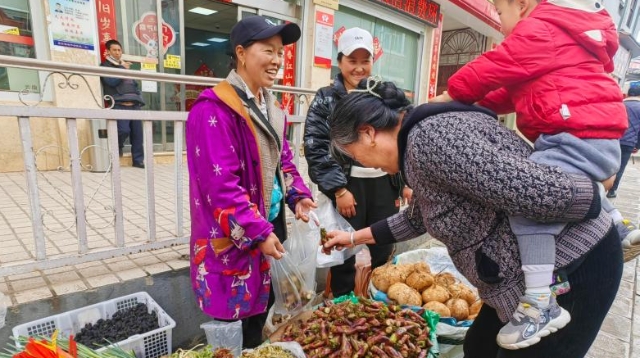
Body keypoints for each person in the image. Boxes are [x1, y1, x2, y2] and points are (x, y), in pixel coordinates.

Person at [323, 79, 623, 358]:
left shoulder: (430, 140)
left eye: (354, 155)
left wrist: (596, 190)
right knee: (478, 346)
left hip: (571, 266)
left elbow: (543, 192)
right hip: (517, 283)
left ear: (368, 133)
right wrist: (351, 238)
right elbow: (418, 218)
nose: (362, 164)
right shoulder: (417, 151)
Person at [431, 0, 639, 348]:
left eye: (500, 13)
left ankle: (540, 304)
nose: (498, 24)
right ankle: (617, 225)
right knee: (576, 187)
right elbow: (505, 94)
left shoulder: (539, 29)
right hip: (596, 137)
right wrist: (469, 105)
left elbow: (492, 68)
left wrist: (451, 94)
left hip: (572, 136)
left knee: (530, 210)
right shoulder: (562, 40)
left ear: (523, 5)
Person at [185, 16, 315, 349]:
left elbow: (283, 158)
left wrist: (298, 195)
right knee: (232, 325)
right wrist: (258, 232)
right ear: (241, 53)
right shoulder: (213, 109)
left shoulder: (272, 107)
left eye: (280, 53)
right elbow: (221, 187)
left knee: (261, 312)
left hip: (270, 228)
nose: (277, 60)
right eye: (268, 50)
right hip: (237, 236)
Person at [303, 27, 411, 298]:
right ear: (339, 61)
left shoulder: (381, 93)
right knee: (344, 254)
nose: (359, 68)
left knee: (384, 248)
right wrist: (338, 189)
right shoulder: (326, 98)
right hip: (349, 188)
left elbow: (403, 136)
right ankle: (342, 309)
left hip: (384, 186)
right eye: (353, 61)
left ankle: (381, 305)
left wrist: (407, 181)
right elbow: (315, 146)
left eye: (365, 61)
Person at [100, 39, 145, 168]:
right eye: (114, 50)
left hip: (134, 105)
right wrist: (122, 68)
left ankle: (138, 160)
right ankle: (118, 147)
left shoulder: (123, 66)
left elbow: (134, 84)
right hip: (119, 104)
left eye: (119, 50)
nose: (118, 53)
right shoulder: (105, 66)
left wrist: (138, 96)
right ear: (108, 51)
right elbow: (111, 82)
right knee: (123, 130)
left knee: (138, 135)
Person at [608, 82, 640, 201]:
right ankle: (611, 191)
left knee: (608, 163)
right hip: (628, 143)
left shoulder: (618, 104)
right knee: (620, 167)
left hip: (612, 139)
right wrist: (637, 145)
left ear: (627, 94)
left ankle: (601, 185)